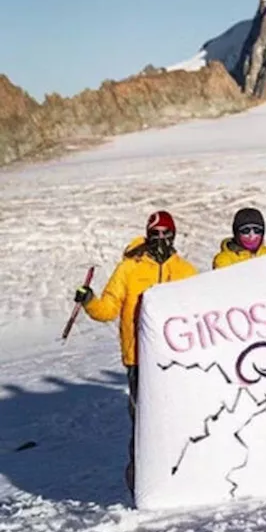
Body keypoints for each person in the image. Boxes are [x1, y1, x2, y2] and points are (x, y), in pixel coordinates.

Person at [73, 210, 199, 496]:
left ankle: (184, 481)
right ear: (147, 235)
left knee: (180, 420)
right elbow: (108, 309)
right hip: (140, 361)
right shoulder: (129, 268)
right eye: (156, 235)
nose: (162, 240)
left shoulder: (185, 271)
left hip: (176, 360)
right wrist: (89, 300)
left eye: (167, 235)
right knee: (144, 426)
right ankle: (142, 487)